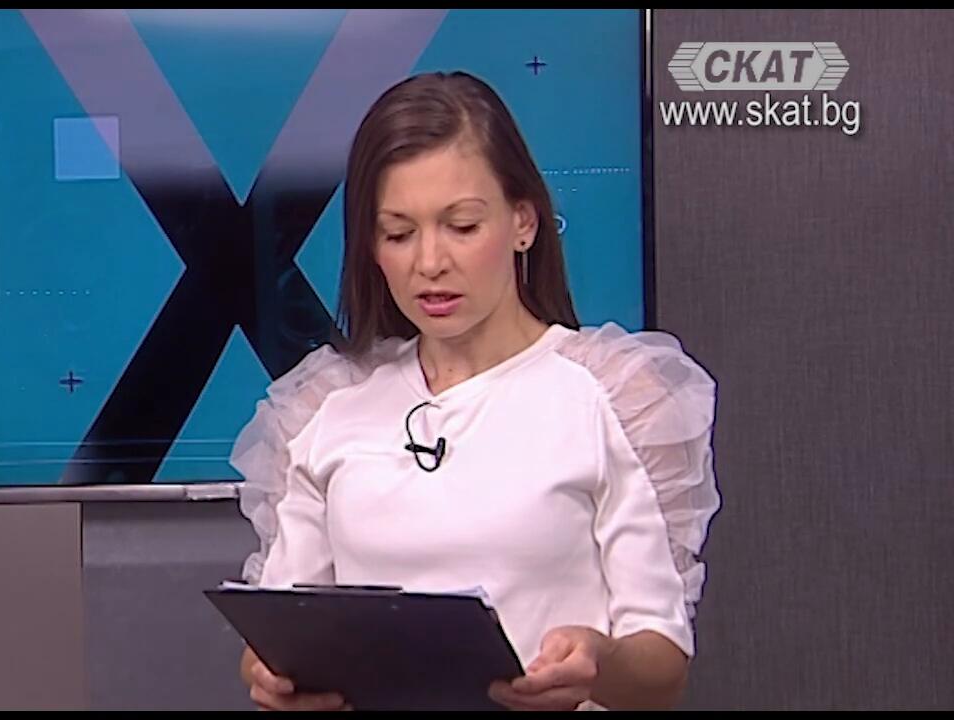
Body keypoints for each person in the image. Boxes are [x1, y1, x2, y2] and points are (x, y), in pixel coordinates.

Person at [229, 71, 720, 711]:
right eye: (398, 233)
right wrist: (269, 675)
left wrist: (599, 663)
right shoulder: (322, 409)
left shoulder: (617, 397)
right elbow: (280, 626)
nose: (430, 262)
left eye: (461, 226)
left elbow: (662, 669)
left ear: (523, 222)